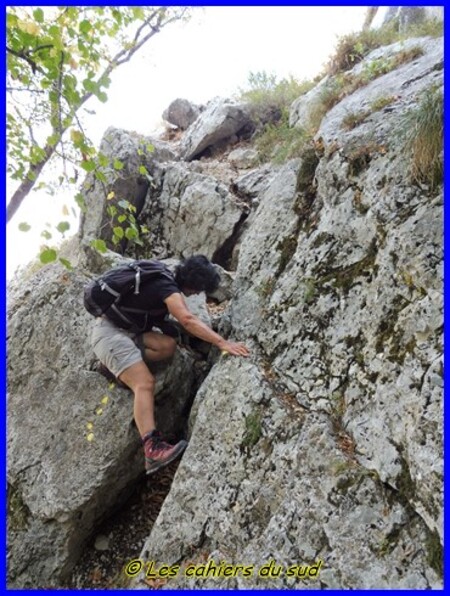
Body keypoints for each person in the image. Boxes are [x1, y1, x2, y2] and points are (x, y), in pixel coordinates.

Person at [90, 255, 250, 475]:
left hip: (127, 331)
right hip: (108, 334)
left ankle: (116, 366)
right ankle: (152, 449)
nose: (197, 294)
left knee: (167, 346)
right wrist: (223, 343)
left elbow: (168, 323)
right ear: (195, 285)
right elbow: (187, 319)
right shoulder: (167, 287)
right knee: (145, 383)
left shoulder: (165, 275)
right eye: (200, 290)